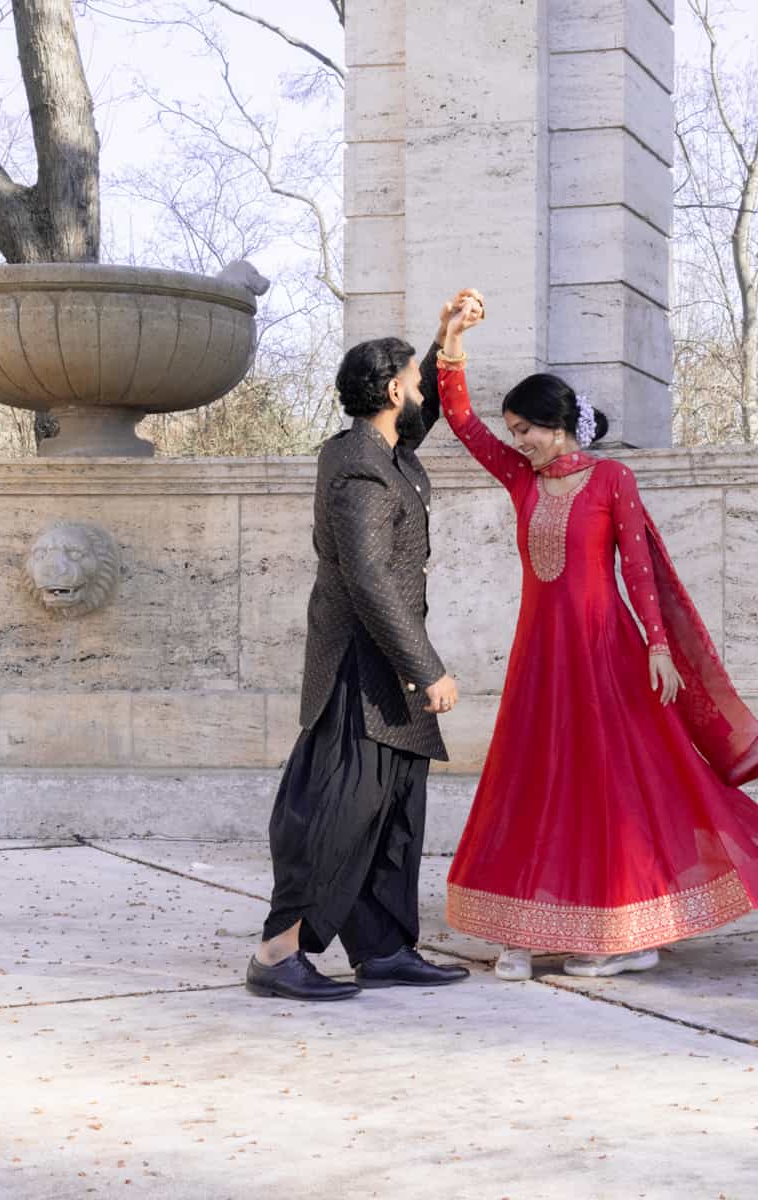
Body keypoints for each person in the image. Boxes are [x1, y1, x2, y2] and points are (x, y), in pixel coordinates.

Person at [434, 293, 758, 981]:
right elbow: (459, 420)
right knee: (532, 780)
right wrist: (451, 342)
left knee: (608, 788)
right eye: (512, 432)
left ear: (558, 424)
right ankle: (523, 925)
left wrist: (658, 647)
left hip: (604, 654)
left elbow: (640, 570)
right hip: (541, 659)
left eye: (526, 430)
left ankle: (626, 934)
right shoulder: (521, 480)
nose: (517, 443)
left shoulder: (612, 480)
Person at [245, 293, 484, 1002]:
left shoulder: (389, 450)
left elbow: (427, 412)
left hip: (389, 669)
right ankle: (277, 952)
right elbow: (370, 577)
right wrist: (427, 669)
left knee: (394, 812)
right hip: (360, 668)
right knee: (338, 809)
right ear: (389, 391)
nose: (419, 393)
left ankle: (382, 950)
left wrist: (444, 342)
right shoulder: (356, 466)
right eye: (412, 380)